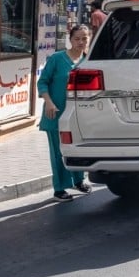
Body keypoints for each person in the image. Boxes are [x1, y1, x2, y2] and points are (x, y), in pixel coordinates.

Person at [37, 24, 93, 201]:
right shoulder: (57, 58)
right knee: (58, 152)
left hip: (79, 116)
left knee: (78, 149)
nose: (81, 42)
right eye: (77, 38)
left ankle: (78, 181)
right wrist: (48, 103)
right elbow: (42, 82)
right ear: (70, 40)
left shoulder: (89, 61)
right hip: (55, 113)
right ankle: (59, 189)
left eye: (84, 38)